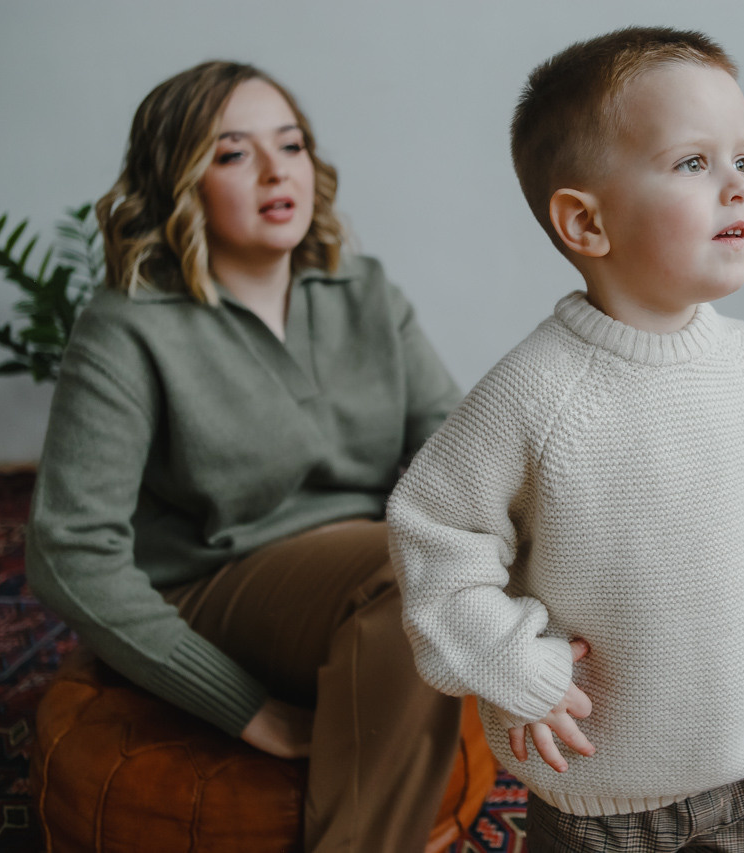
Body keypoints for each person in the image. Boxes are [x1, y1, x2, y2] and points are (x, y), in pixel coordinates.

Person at [386, 26, 744, 850]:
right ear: (586, 222)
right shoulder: (536, 392)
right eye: (695, 163)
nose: (738, 189)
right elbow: (434, 535)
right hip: (602, 791)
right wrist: (512, 660)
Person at [26, 61, 462, 853]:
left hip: (358, 581)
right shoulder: (129, 326)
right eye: (232, 153)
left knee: (515, 528)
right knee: (414, 571)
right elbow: (68, 551)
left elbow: (463, 454)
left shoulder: (363, 290)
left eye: (289, 145)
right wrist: (244, 706)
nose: (274, 171)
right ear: (179, 180)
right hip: (214, 585)